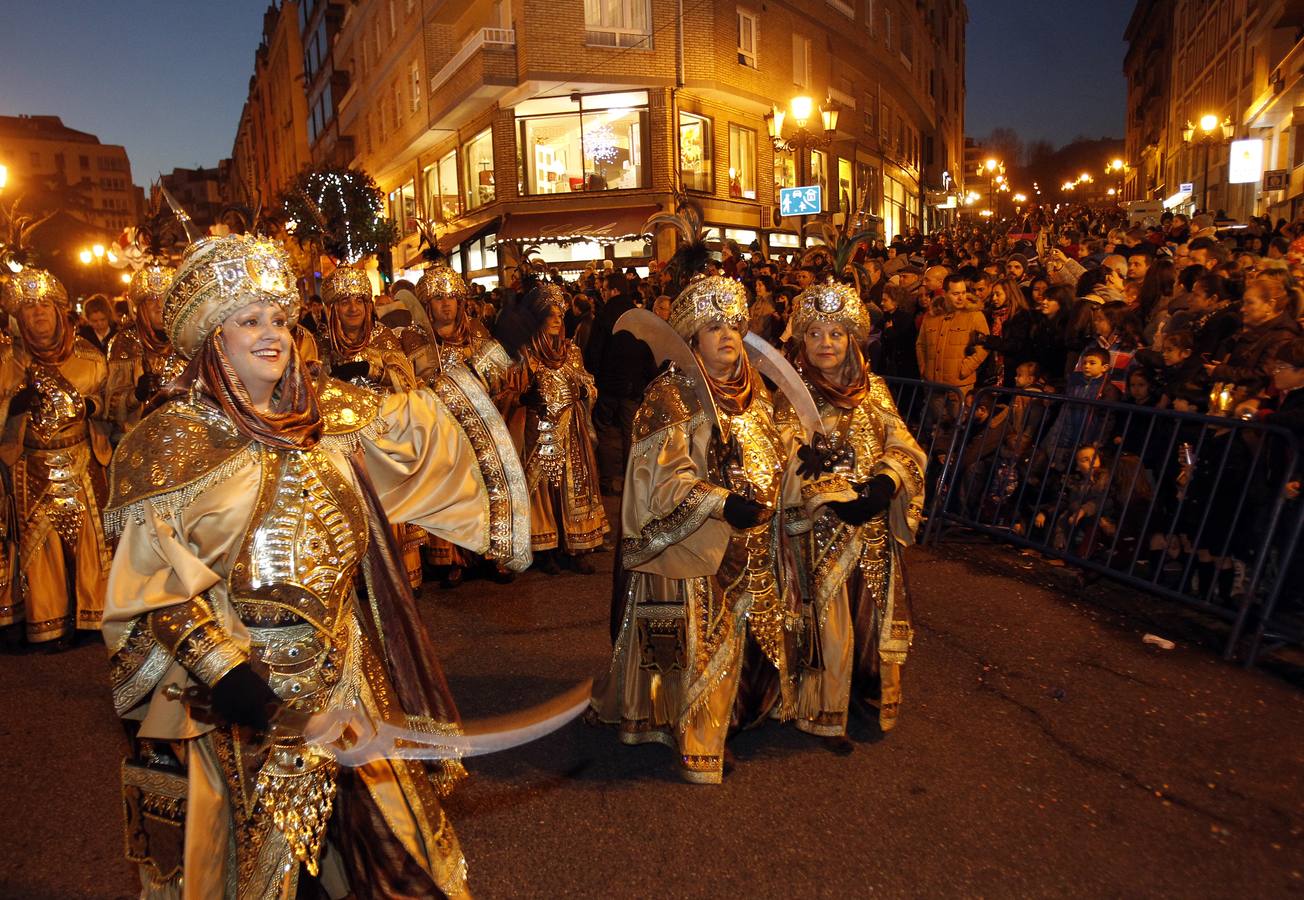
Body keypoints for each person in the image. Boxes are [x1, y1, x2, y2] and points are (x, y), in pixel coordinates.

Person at [101, 233, 531, 898]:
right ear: (212, 338)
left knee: (399, 851)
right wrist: (233, 677)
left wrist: (499, 347)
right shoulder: (165, 445)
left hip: (345, 672)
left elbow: (429, 422)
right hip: (241, 704)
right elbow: (156, 583)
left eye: (279, 318)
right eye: (249, 321)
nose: (272, 334)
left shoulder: (323, 411)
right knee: (264, 873)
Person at [591, 264, 798, 784]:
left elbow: (774, 453)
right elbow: (655, 483)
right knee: (698, 641)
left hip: (754, 541)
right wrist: (719, 503)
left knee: (750, 635)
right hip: (690, 549)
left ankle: (738, 715)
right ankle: (697, 738)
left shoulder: (758, 394)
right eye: (714, 327)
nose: (727, 335)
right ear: (691, 338)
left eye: (734, 325)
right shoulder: (671, 397)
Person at [780, 280, 926, 749]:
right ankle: (826, 713)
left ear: (852, 340)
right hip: (820, 531)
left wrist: (885, 483)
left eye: (836, 334)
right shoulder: (787, 393)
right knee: (828, 625)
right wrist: (825, 488)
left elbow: (903, 445)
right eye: (815, 334)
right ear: (801, 340)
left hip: (872, 529)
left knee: (871, 621)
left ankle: (869, 703)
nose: (826, 344)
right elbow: (780, 457)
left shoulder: (874, 389)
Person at [0, 267, 112, 647]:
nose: (39, 315)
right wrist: (12, 408)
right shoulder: (5, 362)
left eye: (45, 306)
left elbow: (114, 404)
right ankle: (47, 622)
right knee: (39, 544)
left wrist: (92, 408)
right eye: (29, 309)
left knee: (90, 540)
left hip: (82, 459)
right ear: (18, 317)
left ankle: (93, 616)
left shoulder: (89, 357)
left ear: (60, 311)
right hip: (30, 464)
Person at [511, 277, 609, 574]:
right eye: (549, 315)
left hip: (572, 433)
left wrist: (584, 393)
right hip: (539, 432)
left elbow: (589, 384)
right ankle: (545, 549)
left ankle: (574, 546)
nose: (556, 320)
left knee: (573, 486)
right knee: (542, 488)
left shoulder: (572, 351)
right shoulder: (526, 353)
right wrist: (526, 397)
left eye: (559, 315)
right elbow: (512, 391)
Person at [104, 263, 187, 438]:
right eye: (151, 300)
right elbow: (111, 408)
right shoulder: (125, 342)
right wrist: (136, 394)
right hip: (140, 439)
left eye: (164, 297)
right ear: (140, 308)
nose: (159, 306)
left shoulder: (187, 339)